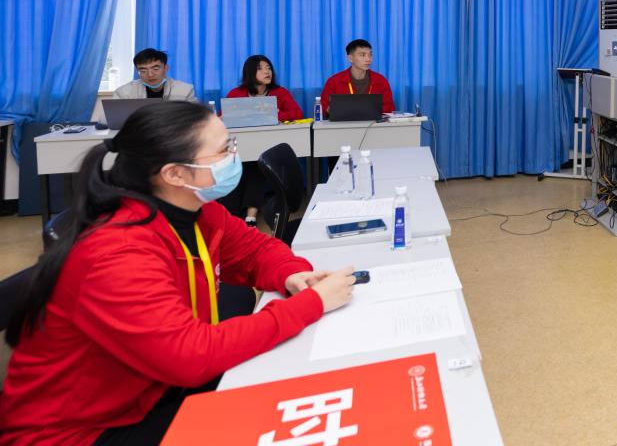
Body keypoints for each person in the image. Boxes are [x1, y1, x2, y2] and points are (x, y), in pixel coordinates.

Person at [0, 102, 356, 445]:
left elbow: (256, 249)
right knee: (269, 419)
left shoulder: (196, 210)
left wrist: (293, 275)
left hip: (152, 388)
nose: (234, 156)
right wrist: (309, 304)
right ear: (175, 174)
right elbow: (191, 356)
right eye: (224, 150)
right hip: (82, 430)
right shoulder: (117, 253)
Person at [224, 55, 304, 226]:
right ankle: (232, 217)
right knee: (236, 165)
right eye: (261, 68)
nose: (267, 71)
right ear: (250, 72)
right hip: (242, 145)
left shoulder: (279, 92)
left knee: (257, 163)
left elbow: (297, 113)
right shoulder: (236, 93)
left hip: (269, 145)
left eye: (268, 67)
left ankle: (250, 216)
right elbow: (223, 118)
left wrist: (276, 114)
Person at [93, 48, 196, 121]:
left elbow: (197, 117)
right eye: (143, 70)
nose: (150, 74)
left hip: (173, 137)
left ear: (165, 68)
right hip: (138, 136)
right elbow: (104, 120)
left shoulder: (185, 90)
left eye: (156, 68)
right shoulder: (124, 92)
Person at [320, 39, 395, 116]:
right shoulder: (334, 81)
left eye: (370, 54)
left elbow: (390, 107)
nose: (368, 59)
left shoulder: (380, 80)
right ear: (350, 58)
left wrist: (369, 110)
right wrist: (328, 109)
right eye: (362, 55)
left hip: (372, 122)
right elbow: (323, 106)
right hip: (344, 122)